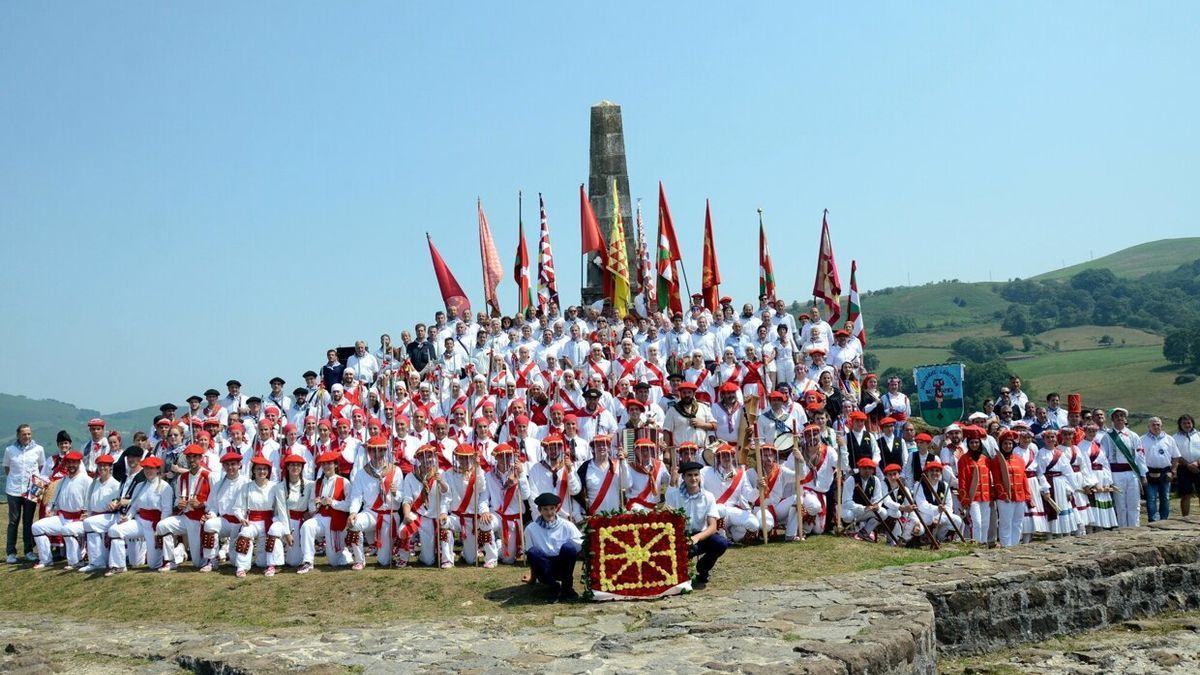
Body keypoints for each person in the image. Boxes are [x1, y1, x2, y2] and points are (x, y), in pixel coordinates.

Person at [104, 456, 174, 576]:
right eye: (146, 468)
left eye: (151, 468)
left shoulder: (164, 487)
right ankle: (118, 565)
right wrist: (128, 517)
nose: (148, 471)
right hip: (140, 521)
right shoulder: (140, 485)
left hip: (154, 526)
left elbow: (167, 510)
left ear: (158, 469)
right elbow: (134, 506)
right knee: (115, 530)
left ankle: (178, 553)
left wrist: (160, 529)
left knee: (153, 565)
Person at [665, 461, 726, 586]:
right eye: (689, 475)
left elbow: (713, 526)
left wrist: (696, 538)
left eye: (696, 475)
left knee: (721, 543)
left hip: (700, 536)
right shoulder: (673, 495)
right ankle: (679, 571)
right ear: (683, 477)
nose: (693, 478)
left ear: (700, 476)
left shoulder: (708, 496)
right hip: (680, 537)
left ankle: (703, 567)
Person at [156, 444, 213, 571]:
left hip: (200, 519)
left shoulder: (209, 476)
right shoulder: (182, 477)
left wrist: (202, 504)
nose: (192, 460)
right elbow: (177, 498)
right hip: (185, 516)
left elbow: (215, 501)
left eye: (195, 457)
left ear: (201, 458)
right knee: (162, 525)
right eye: (189, 457)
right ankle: (170, 560)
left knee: (198, 563)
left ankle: (208, 560)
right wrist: (178, 503)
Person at [30, 451, 90, 569]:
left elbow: (90, 501)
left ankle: (76, 561)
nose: (71, 465)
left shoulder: (86, 480)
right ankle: (46, 559)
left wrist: (87, 513)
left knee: (68, 530)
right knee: (37, 527)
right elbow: (54, 499)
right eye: (69, 462)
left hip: (79, 519)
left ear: (79, 463)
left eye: (74, 462)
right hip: (62, 518)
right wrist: (49, 509)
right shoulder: (63, 480)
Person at [398, 444, 453, 568]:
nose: (427, 459)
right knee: (403, 529)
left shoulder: (440, 473)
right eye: (423, 457)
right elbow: (407, 499)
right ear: (418, 459)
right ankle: (403, 557)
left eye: (429, 456)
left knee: (429, 560)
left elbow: (447, 493)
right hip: (419, 515)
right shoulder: (411, 476)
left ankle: (446, 558)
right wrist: (406, 515)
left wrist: (441, 482)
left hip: (435, 515)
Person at [297, 451, 354, 572]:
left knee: (334, 562)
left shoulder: (344, 481)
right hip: (321, 517)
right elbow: (311, 506)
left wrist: (332, 502)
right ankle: (308, 561)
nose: (326, 467)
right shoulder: (317, 483)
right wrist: (316, 504)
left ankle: (344, 552)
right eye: (324, 464)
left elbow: (349, 505)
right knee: (307, 526)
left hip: (337, 519)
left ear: (336, 465)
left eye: (329, 464)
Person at [234, 456, 288, 578]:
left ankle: (272, 565)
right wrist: (241, 518)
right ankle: (242, 567)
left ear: (268, 471)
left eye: (264, 469)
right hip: (252, 521)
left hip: (269, 520)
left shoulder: (275, 487)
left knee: (262, 561)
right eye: (258, 469)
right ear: (253, 471)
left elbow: (281, 507)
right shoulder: (247, 487)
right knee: (245, 534)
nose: (261, 472)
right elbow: (237, 507)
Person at [524, 492, 584, 602]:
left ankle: (567, 588)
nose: (549, 512)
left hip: (563, 565)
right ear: (539, 510)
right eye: (545, 509)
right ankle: (553, 587)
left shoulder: (567, 525)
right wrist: (532, 578)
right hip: (544, 566)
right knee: (533, 552)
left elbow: (580, 547)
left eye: (552, 508)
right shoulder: (531, 529)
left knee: (569, 548)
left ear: (556, 508)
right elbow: (530, 556)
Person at [199, 451, 250, 573]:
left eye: (233, 464)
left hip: (240, 523)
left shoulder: (246, 483)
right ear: (223, 466)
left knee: (234, 561)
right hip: (225, 521)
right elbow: (213, 506)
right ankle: (212, 560)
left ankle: (239, 561)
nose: (230, 467)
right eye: (227, 465)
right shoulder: (218, 484)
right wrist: (210, 515)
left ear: (239, 465)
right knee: (209, 525)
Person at [1098, 408, 1146, 528]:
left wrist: (1143, 474)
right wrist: (1107, 478)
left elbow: (1140, 457)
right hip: (1116, 473)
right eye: (1116, 416)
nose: (1119, 418)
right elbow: (1104, 458)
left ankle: (1134, 527)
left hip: (1132, 473)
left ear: (1125, 419)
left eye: (1122, 416)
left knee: (1134, 503)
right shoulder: (1107, 437)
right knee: (1120, 504)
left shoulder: (1133, 436)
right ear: (1112, 419)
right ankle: (1123, 529)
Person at [5, 424, 45, 563]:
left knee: (28, 521)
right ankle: (11, 552)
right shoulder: (9, 450)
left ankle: (29, 550)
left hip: (32, 490)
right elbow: (7, 468)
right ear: (18, 435)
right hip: (14, 489)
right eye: (24, 434)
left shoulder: (39, 449)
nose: (27, 436)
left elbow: (41, 468)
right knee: (13, 521)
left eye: (29, 434)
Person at [76, 454, 122, 573]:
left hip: (110, 516)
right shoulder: (94, 483)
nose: (102, 468)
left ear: (110, 467)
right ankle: (96, 560)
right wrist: (88, 512)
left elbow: (116, 505)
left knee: (89, 523)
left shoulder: (116, 485)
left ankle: (97, 562)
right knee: (89, 523)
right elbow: (89, 500)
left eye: (105, 466)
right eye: (100, 466)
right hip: (96, 515)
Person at [841, 458, 895, 541]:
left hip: (867, 511)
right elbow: (846, 502)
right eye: (864, 468)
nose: (867, 471)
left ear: (873, 470)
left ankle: (864, 532)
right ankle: (849, 530)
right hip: (854, 511)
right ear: (859, 469)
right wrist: (863, 508)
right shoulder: (851, 480)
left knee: (883, 513)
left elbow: (878, 497)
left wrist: (877, 505)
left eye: (869, 468)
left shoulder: (875, 480)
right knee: (848, 515)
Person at [990, 431, 1029, 547]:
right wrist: (1003, 494)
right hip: (1005, 498)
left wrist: (1027, 495)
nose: (1008, 446)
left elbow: (1024, 478)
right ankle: (1006, 546)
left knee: (1017, 523)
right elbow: (997, 479)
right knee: (1005, 523)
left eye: (1010, 444)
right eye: (1005, 444)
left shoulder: (1019, 460)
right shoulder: (996, 460)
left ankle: (1015, 545)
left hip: (1019, 496)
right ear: (1001, 445)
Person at [1140, 416, 1180, 522]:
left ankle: (1164, 520)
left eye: (1158, 424)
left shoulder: (1169, 439)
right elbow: (1138, 458)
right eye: (1153, 424)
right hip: (1149, 472)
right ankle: (1152, 521)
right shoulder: (1142, 440)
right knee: (1151, 499)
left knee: (1165, 498)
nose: (1156, 426)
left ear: (1161, 426)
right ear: (1148, 426)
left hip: (1165, 472)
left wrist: (1173, 472)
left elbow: (1176, 457)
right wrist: (1142, 475)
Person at [1175, 414, 1200, 517]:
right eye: (1184, 423)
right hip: (1183, 468)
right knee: (1186, 494)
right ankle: (1185, 518)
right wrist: (1188, 465)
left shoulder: (1198, 435)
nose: (1187, 425)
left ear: (1192, 423)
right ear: (1180, 424)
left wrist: (1197, 463)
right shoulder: (1175, 437)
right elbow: (1175, 454)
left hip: (1199, 466)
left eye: (1189, 423)